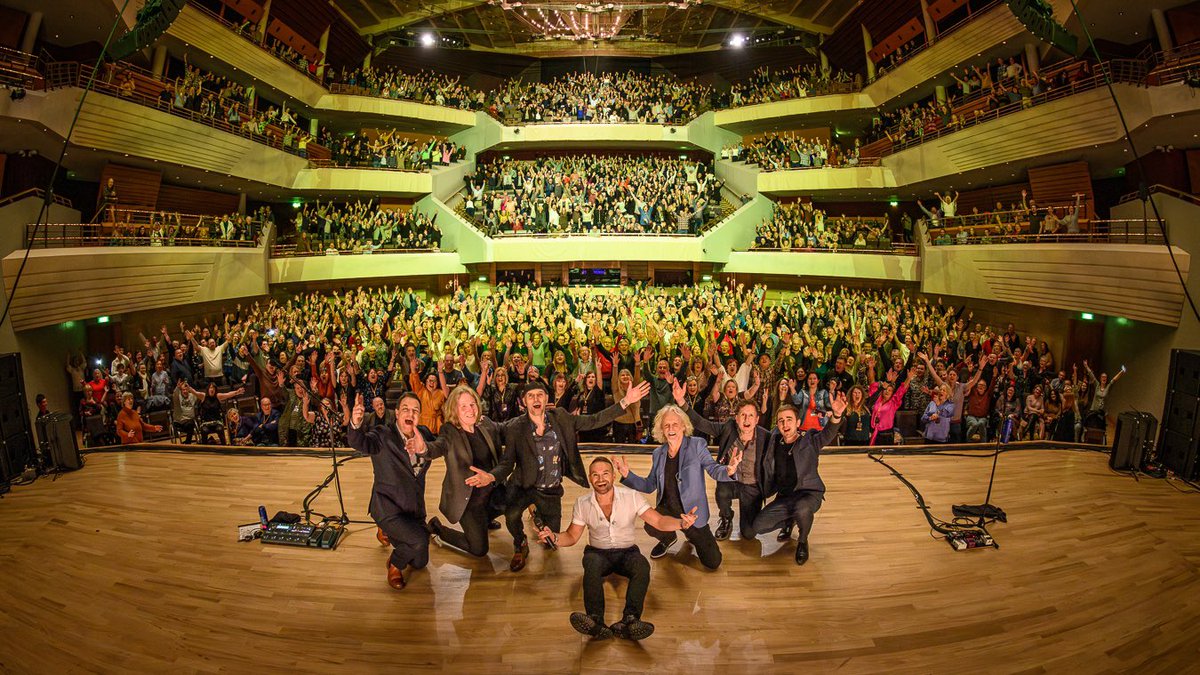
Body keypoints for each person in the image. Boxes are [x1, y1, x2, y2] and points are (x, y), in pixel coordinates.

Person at [536, 456, 697, 641]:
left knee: (642, 566)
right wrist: (553, 537)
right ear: (590, 478)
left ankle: (630, 620)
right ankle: (595, 621)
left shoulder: (632, 497)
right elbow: (572, 536)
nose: (600, 479)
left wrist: (681, 524)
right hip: (597, 553)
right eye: (595, 475)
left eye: (605, 474)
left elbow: (659, 521)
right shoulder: (582, 503)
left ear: (613, 477)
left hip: (627, 552)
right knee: (591, 563)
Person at [499, 380, 650, 572]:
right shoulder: (515, 426)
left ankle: (536, 512)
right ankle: (520, 544)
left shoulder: (561, 417)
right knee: (511, 516)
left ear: (547, 398)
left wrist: (625, 402)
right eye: (531, 396)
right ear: (524, 401)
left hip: (550, 489)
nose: (536, 399)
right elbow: (499, 442)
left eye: (539, 395)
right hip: (523, 485)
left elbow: (594, 420)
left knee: (551, 541)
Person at [614, 404, 740, 570]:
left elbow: (713, 468)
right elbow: (650, 484)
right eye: (666, 425)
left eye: (675, 424)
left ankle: (690, 535)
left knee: (713, 562)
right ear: (662, 430)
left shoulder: (697, 445)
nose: (671, 428)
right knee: (650, 523)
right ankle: (668, 538)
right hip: (668, 509)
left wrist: (728, 470)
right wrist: (627, 475)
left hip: (692, 514)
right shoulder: (658, 454)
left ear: (683, 426)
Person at [347, 392, 436, 590]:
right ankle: (395, 563)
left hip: (413, 508)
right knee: (419, 540)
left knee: (420, 562)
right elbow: (359, 442)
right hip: (388, 505)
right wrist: (355, 423)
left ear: (419, 415)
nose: (410, 414)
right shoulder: (382, 434)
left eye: (415, 410)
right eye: (405, 409)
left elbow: (439, 446)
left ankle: (388, 532)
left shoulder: (424, 434)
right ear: (396, 413)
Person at [407, 385, 505, 559]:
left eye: (472, 404)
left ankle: (486, 519)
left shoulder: (485, 423)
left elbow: (506, 428)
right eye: (464, 406)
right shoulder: (449, 431)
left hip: (491, 492)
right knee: (479, 549)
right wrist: (422, 449)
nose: (470, 410)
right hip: (469, 501)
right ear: (455, 410)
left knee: (517, 497)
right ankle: (438, 528)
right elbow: (436, 447)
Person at [751, 395, 846, 565]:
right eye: (781, 421)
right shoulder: (774, 441)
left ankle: (802, 541)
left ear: (797, 422)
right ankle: (790, 521)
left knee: (802, 509)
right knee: (758, 526)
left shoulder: (809, 440)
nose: (785, 424)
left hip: (808, 494)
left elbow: (828, 434)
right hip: (785, 497)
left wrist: (836, 416)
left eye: (789, 420)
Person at [674, 380, 768, 541]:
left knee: (749, 533)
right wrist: (682, 402)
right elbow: (701, 423)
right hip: (730, 480)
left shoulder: (766, 437)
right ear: (736, 418)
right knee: (722, 491)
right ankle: (726, 517)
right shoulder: (728, 427)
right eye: (743, 415)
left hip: (752, 486)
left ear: (757, 419)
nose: (746, 419)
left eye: (751, 415)